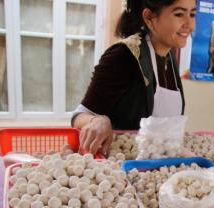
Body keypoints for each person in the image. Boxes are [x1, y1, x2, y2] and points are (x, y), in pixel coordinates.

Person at [72, 0, 196, 155]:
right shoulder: (124, 56)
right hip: (124, 168)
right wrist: (98, 120)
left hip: (161, 166)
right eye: (179, 14)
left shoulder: (170, 57)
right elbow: (79, 116)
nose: (189, 24)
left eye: (192, 14)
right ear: (149, 17)